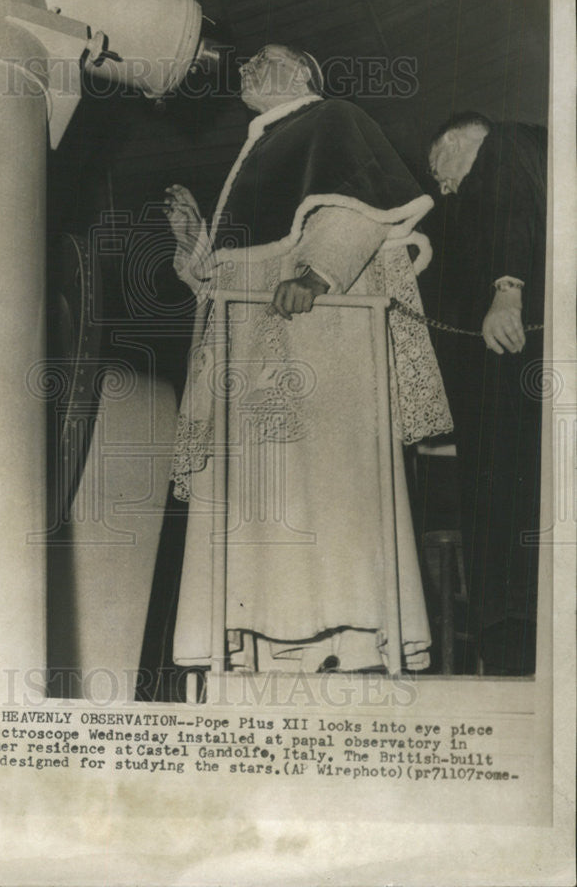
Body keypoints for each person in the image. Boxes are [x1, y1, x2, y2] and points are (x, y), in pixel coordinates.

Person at [164, 44, 452, 675]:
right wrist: (197, 248)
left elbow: (362, 211)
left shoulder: (332, 120)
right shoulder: (262, 146)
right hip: (254, 363)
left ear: (300, 74)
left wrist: (317, 275)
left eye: (260, 60)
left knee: (325, 489)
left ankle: (349, 641)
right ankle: (270, 646)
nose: (242, 68)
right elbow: (238, 274)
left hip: (318, 343)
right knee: (258, 497)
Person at [427, 112, 546, 674]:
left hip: (520, 352)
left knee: (509, 499)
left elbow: (512, 209)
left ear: (458, 141)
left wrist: (508, 289)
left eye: (440, 169)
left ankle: (509, 632)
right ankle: (511, 630)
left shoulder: (502, 144)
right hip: (524, 363)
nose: (444, 187)